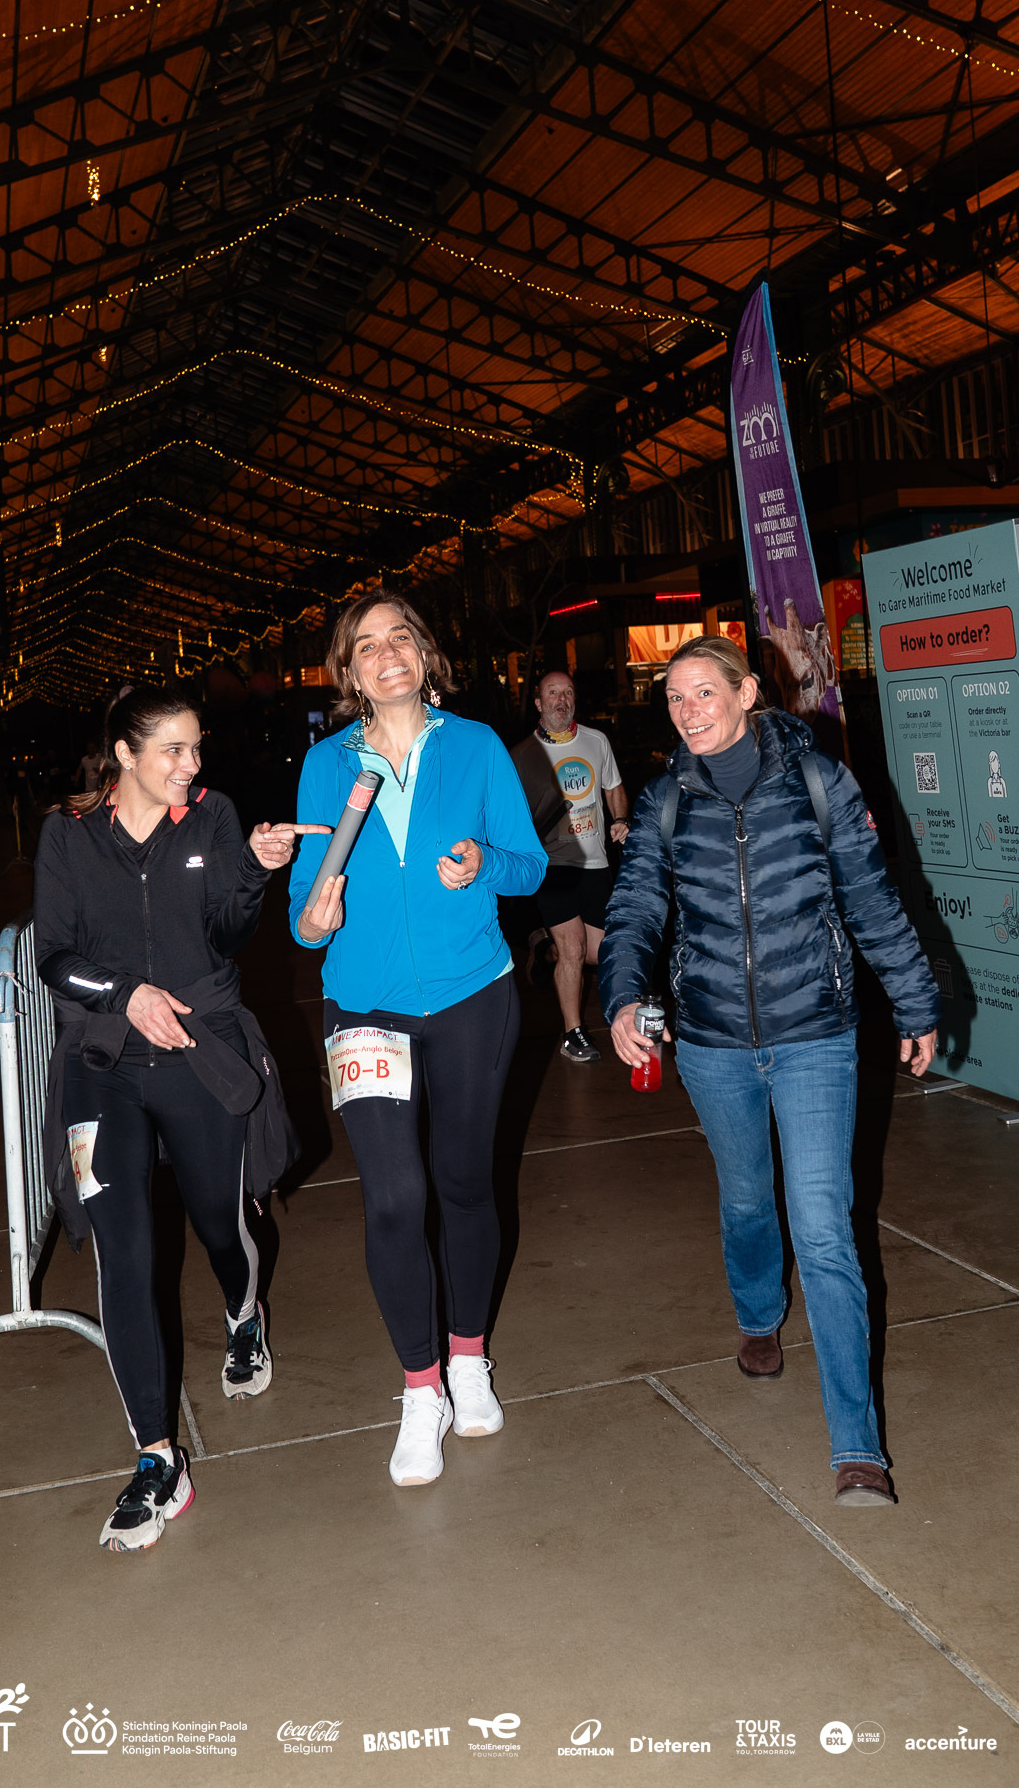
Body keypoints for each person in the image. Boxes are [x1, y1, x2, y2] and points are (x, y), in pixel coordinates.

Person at [600, 635, 939, 1506]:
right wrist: (622, 997)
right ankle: (758, 1315)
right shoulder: (666, 800)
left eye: (703, 692)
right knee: (749, 1198)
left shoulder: (819, 783)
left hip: (816, 1034)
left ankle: (858, 1448)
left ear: (747, 693)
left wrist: (915, 1001)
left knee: (823, 1228)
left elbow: (871, 899)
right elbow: (635, 908)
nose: (688, 711)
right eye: (674, 698)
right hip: (712, 1042)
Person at [34, 686, 325, 1551]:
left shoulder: (213, 817)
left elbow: (228, 932)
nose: (191, 765)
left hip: (200, 1051)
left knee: (218, 1224)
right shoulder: (68, 835)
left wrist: (256, 871)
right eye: (172, 750)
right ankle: (157, 1458)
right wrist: (125, 996)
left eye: (196, 748)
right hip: (104, 1064)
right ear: (124, 754)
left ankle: (244, 1315)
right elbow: (53, 956)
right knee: (124, 1253)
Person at [290, 592, 546, 1488]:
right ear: (350, 672)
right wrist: (314, 919)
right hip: (364, 1003)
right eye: (367, 646)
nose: (387, 653)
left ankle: (469, 1357)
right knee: (396, 1199)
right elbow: (305, 912)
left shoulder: (475, 747)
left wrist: (483, 862)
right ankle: (420, 1389)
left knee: (465, 1182)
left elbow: (529, 865)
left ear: (425, 654)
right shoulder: (326, 765)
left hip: (474, 995)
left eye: (401, 637)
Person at [510, 671, 628, 1061]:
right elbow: (510, 816)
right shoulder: (522, 755)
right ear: (539, 703)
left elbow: (613, 786)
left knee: (599, 952)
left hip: (595, 862)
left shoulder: (596, 741)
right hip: (553, 865)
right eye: (553, 693)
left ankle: (543, 947)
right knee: (574, 949)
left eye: (568, 693)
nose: (561, 700)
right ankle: (572, 1034)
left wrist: (620, 819)